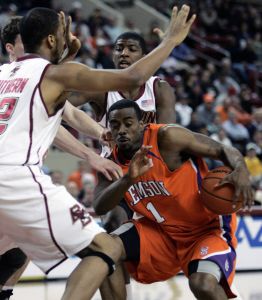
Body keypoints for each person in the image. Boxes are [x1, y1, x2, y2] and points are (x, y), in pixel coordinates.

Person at [0, 6, 195, 300]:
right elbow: (132, 77)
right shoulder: (58, 73)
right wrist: (170, 41)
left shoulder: (5, 72)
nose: (71, 37)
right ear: (52, 40)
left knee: (13, 257)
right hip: (15, 179)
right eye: (64, 33)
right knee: (105, 248)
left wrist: (66, 57)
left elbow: (49, 97)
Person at [0, 16, 123, 299]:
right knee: (100, 247)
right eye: (25, 41)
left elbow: (67, 113)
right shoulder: (24, 78)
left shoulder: (32, 76)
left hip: (16, 177)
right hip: (14, 177)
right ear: (10, 48)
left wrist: (99, 132)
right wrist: (91, 155)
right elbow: (56, 124)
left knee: (20, 251)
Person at [93, 99, 253, 300]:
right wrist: (128, 179)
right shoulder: (111, 164)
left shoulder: (167, 137)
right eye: (115, 126)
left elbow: (221, 150)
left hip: (205, 229)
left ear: (142, 124)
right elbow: (99, 206)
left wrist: (241, 168)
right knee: (104, 249)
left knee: (202, 285)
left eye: (128, 123)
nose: (122, 130)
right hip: (161, 233)